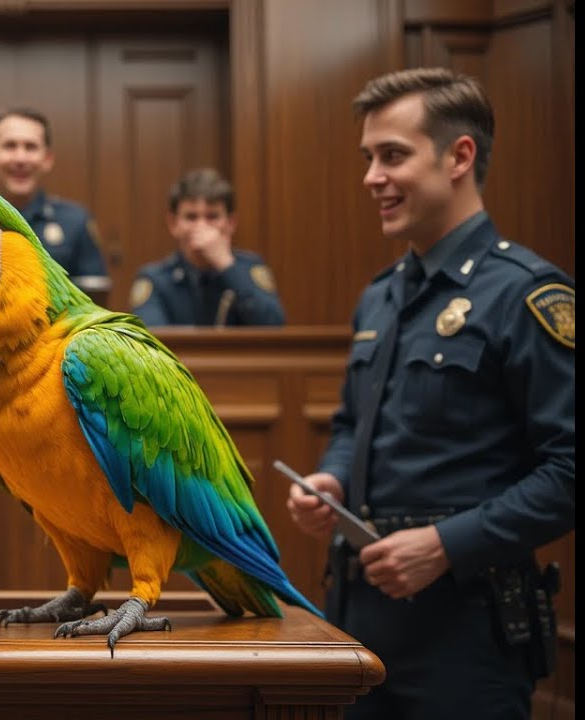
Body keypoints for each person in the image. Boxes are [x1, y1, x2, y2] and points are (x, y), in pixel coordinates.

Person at [287, 67, 574, 720]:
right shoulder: (382, 293)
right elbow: (350, 424)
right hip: (358, 619)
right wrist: (330, 480)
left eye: (393, 155)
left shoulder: (526, 294)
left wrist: (448, 545)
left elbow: (571, 466)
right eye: (368, 158)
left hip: (466, 633)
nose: (371, 177)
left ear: (459, 157)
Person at [0, 107, 112, 304]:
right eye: (10, 146)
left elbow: (94, 300)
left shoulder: (76, 222)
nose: (20, 158)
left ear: (47, 158)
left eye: (31, 147)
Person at [130, 168, 285, 326]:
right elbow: (150, 341)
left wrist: (226, 265)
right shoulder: (155, 279)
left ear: (230, 223)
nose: (201, 226)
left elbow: (274, 324)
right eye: (191, 217)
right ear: (173, 224)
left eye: (212, 216)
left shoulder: (249, 269)